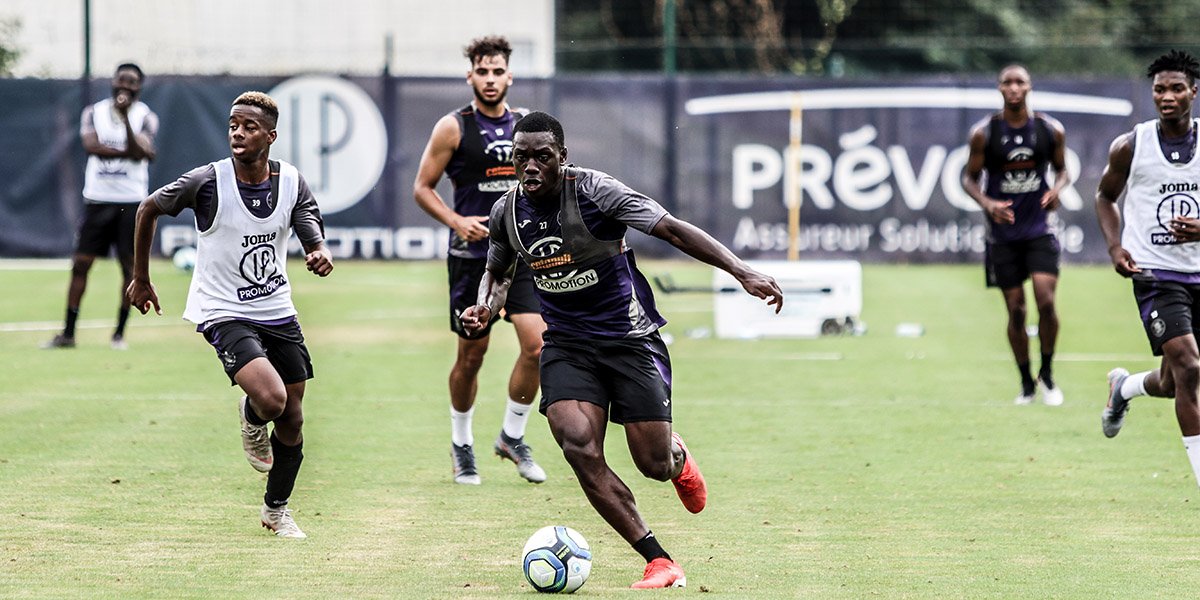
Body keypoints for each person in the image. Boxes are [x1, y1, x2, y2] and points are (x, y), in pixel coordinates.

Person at [461, 112, 784, 588]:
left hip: (630, 341)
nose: (530, 167)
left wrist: (742, 271)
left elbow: (671, 229)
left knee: (653, 465)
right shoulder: (506, 212)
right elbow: (497, 271)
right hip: (567, 344)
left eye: (542, 157)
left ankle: (675, 456)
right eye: (521, 157)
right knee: (577, 445)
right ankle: (658, 560)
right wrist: (484, 306)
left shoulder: (596, 192)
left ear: (563, 157)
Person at [126, 91, 334, 538]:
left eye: (249, 127)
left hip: (276, 308)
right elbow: (147, 208)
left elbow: (306, 215)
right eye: (233, 125)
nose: (238, 133)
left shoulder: (291, 180)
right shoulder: (207, 181)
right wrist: (140, 278)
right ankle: (254, 415)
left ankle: (276, 510)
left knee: (293, 416)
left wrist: (317, 248)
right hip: (222, 309)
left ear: (270, 136)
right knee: (272, 400)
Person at [413, 35, 547, 485]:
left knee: (538, 346)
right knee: (472, 356)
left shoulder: (527, 125)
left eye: (497, 71)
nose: (490, 79)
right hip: (473, 260)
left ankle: (512, 436)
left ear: (510, 76)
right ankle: (462, 443)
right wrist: (456, 221)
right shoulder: (453, 127)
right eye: (482, 72)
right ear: (470, 75)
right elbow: (422, 187)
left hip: (523, 256)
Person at [1097, 50, 1200, 489]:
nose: (1167, 96)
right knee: (1189, 367)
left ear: (1193, 91)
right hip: (1155, 274)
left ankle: (1124, 388)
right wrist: (1115, 246)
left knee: (1174, 380)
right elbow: (1105, 197)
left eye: (1177, 88)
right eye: (1160, 89)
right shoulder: (1131, 145)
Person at [962, 64, 1071, 406]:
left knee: (1046, 302)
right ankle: (1026, 382)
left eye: (1019, 82)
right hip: (1002, 236)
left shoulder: (1049, 130)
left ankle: (1047, 374)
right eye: (1007, 82)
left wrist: (1057, 190)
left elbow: (1063, 170)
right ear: (999, 88)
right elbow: (968, 178)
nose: (1013, 88)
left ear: (1029, 87)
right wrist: (987, 203)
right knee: (1016, 312)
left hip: (1039, 230)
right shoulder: (985, 133)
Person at [45, 63, 158, 350]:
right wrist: (132, 152)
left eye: (132, 82)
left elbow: (142, 149)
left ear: (139, 87)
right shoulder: (93, 113)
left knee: (129, 269)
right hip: (98, 199)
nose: (125, 86)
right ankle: (68, 333)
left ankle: (119, 334)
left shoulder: (146, 117)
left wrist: (126, 121)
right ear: (113, 82)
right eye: (121, 80)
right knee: (81, 264)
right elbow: (91, 146)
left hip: (131, 202)